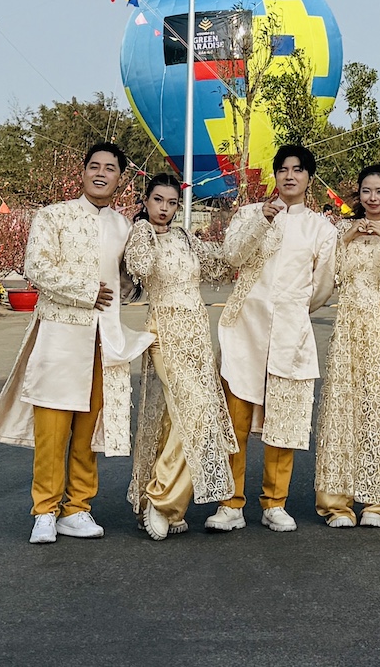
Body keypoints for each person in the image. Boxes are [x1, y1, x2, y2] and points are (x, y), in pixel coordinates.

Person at [0, 142, 153, 545]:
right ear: (82, 173)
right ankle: (45, 510)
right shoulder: (53, 216)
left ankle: (78, 508)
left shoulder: (123, 226)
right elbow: (36, 266)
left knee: (88, 428)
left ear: (119, 178)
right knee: (53, 428)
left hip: (103, 338)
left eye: (109, 168)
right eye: (94, 166)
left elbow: (129, 283)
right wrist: (84, 291)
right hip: (60, 336)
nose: (100, 173)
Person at [211, 143, 338, 533]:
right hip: (244, 328)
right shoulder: (250, 213)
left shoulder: (321, 227)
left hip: (290, 331)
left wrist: (294, 309)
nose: (289, 176)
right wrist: (260, 221)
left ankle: (275, 502)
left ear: (308, 178)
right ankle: (230, 503)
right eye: (282, 169)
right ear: (274, 176)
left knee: (284, 420)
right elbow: (231, 256)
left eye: (297, 169)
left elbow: (323, 285)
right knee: (236, 420)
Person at [123, 173, 236, 540]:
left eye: (172, 203)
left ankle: (169, 506)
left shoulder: (185, 236)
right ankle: (161, 498)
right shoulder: (142, 233)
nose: (165, 209)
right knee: (196, 414)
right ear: (146, 199)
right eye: (158, 201)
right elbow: (138, 267)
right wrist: (143, 229)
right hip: (164, 333)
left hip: (197, 335)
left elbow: (220, 264)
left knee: (186, 418)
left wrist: (256, 228)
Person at [315, 164, 380, 527]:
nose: (373, 199)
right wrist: (346, 238)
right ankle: (335, 503)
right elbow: (328, 272)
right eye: (367, 192)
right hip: (348, 328)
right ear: (358, 195)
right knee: (342, 410)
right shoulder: (343, 230)